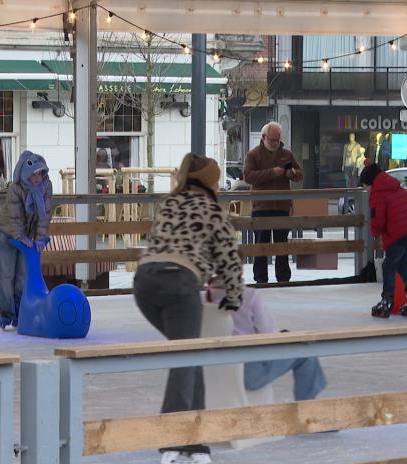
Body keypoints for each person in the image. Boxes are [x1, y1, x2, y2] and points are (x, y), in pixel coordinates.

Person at [134, 153, 243, 464]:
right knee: (186, 360)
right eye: (217, 180)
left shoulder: (170, 202)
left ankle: (195, 442)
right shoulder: (211, 209)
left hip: (144, 283)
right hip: (179, 284)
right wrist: (233, 295)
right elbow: (229, 259)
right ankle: (173, 440)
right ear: (209, 181)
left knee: (190, 356)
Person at [207, 281, 327, 401]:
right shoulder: (250, 295)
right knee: (307, 353)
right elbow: (270, 334)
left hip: (211, 368)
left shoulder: (202, 297)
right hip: (248, 371)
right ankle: (306, 407)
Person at [359, 158, 407, 318]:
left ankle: (386, 301)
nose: (366, 189)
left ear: (370, 183)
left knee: (388, 266)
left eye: (365, 186)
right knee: (402, 265)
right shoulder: (395, 187)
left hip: (401, 232)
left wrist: (375, 233)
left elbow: (378, 220)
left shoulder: (377, 193)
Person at [0, 150, 53, 329]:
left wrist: (40, 239)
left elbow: (45, 216)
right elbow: (15, 217)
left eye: (40, 174)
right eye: (34, 174)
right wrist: (20, 236)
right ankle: (5, 313)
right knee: (6, 276)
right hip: (8, 234)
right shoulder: (15, 189)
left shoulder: (45, 187)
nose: (37, 178)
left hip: (27, 236)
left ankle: (20, 313)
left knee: (22, 277)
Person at [243, 121, 304, 283]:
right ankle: (260, 278)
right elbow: (248, 176)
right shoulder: (253, 154)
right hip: (261, 207)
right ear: (263, 137)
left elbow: (300, 174)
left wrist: (292, 174)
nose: (276, 143)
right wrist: (272, 173)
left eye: (278, 140)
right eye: (272, 140)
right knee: (261, 245)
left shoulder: (287, 154)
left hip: (282, 206)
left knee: (282, 245)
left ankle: (283, 277)